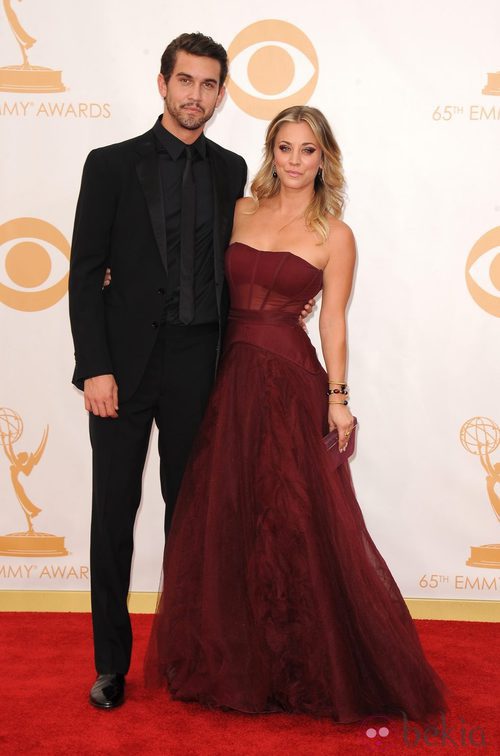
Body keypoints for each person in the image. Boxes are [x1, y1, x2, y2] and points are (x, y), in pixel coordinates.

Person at [145, 106, 447, 722]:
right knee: (229, 513)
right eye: (285, 147)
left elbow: (333, 320)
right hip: (228, 378)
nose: (294, 160)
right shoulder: (241, 210)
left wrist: (338, 399)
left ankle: (301, 661)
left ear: (324, 158)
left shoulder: (335, 234)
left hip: (289, 378)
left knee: (291, 520)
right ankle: (236, 654)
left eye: (308, 150)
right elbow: (194, 276)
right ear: (270, 152)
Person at [68, 33, 249, 710]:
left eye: (208, 85)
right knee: (113, 514)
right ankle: (112, 665)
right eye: (185, 81)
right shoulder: (111, 165)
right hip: (123, 368)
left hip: (198, 364)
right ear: (162, 83)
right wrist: (95, 369)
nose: (195, 95)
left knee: (192, 518)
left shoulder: (233, 171)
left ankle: (183, 654)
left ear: (222, 94)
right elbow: (85, 275)